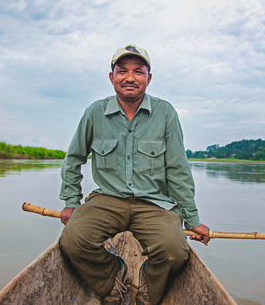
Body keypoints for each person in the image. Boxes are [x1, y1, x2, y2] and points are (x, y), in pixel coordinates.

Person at [59, 44, 210, 305]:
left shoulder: (165, 113)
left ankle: (147, 289)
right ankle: (112, 279)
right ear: (112, 78)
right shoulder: (95, 112)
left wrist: (192, 219)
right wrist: (71, 202)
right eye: (122, 71)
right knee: (72, 241)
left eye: (138, 72)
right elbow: (73, 159)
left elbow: (178, 169)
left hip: (154, 203)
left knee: (175, 252)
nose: (130, 77)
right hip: (107, 199)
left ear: (148, 79)